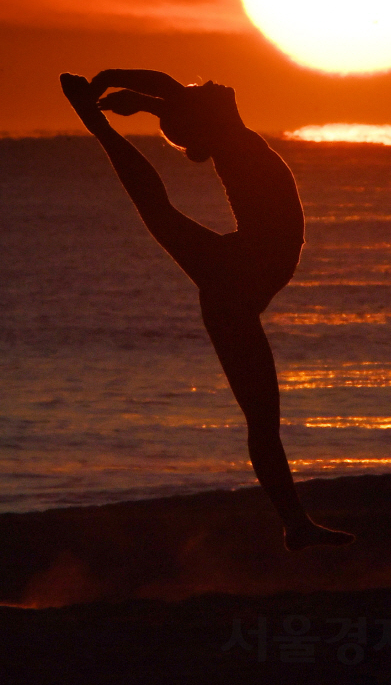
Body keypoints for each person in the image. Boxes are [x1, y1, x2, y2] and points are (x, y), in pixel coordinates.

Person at [60, 69, 355, 552]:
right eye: (207, 94)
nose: (217, 85)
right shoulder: (230, 142)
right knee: (156, 208)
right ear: (206, 121)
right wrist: (120, 84)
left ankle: (295, 526)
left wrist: (145, 101)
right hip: (234, 277)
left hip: (235, 277)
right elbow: (175, 91)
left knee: (263, 421)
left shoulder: (230, 139)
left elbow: (177, 96)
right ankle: (96, 126)